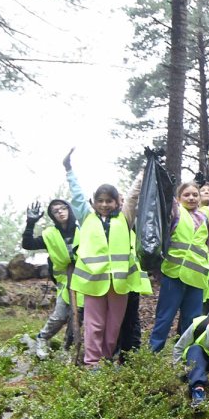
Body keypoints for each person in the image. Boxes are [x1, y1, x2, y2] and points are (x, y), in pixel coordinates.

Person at [66, 150, 152, 367]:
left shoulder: (125, 218)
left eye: (109, 201)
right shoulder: (87, 217)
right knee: (94, 324)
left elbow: (133, 195)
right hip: (93, 282)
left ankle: (105, 359)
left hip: (119, 283)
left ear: (116, 202)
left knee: (114, 325)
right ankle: (92, 361)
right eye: (100, 201)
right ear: (94, 202)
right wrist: (68, 170)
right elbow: (76, 196)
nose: (104, 205)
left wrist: (144, 169)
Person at [150, 181, 209, 352]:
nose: (191, 198)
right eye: (186, 195)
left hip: (196, 277)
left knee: (192, 320)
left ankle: (188, 357)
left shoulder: (205, 216)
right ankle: (153, 353)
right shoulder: (176, 212)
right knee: (165, 317)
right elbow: (162, 205)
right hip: (173, 274)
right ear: (179, 198)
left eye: (195, 195)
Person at [21, 199, 81, 358]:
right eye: (56, 211)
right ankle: (42, 338)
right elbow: (27, 244)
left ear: (69, 209)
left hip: (87, 281)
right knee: (60, 315)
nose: (60, 212)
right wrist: (30, 223)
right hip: (65, 282)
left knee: (80, 315)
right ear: (53, 216)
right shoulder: (50, 235)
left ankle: (68, 348)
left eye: (63, 208)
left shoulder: (81, 229)